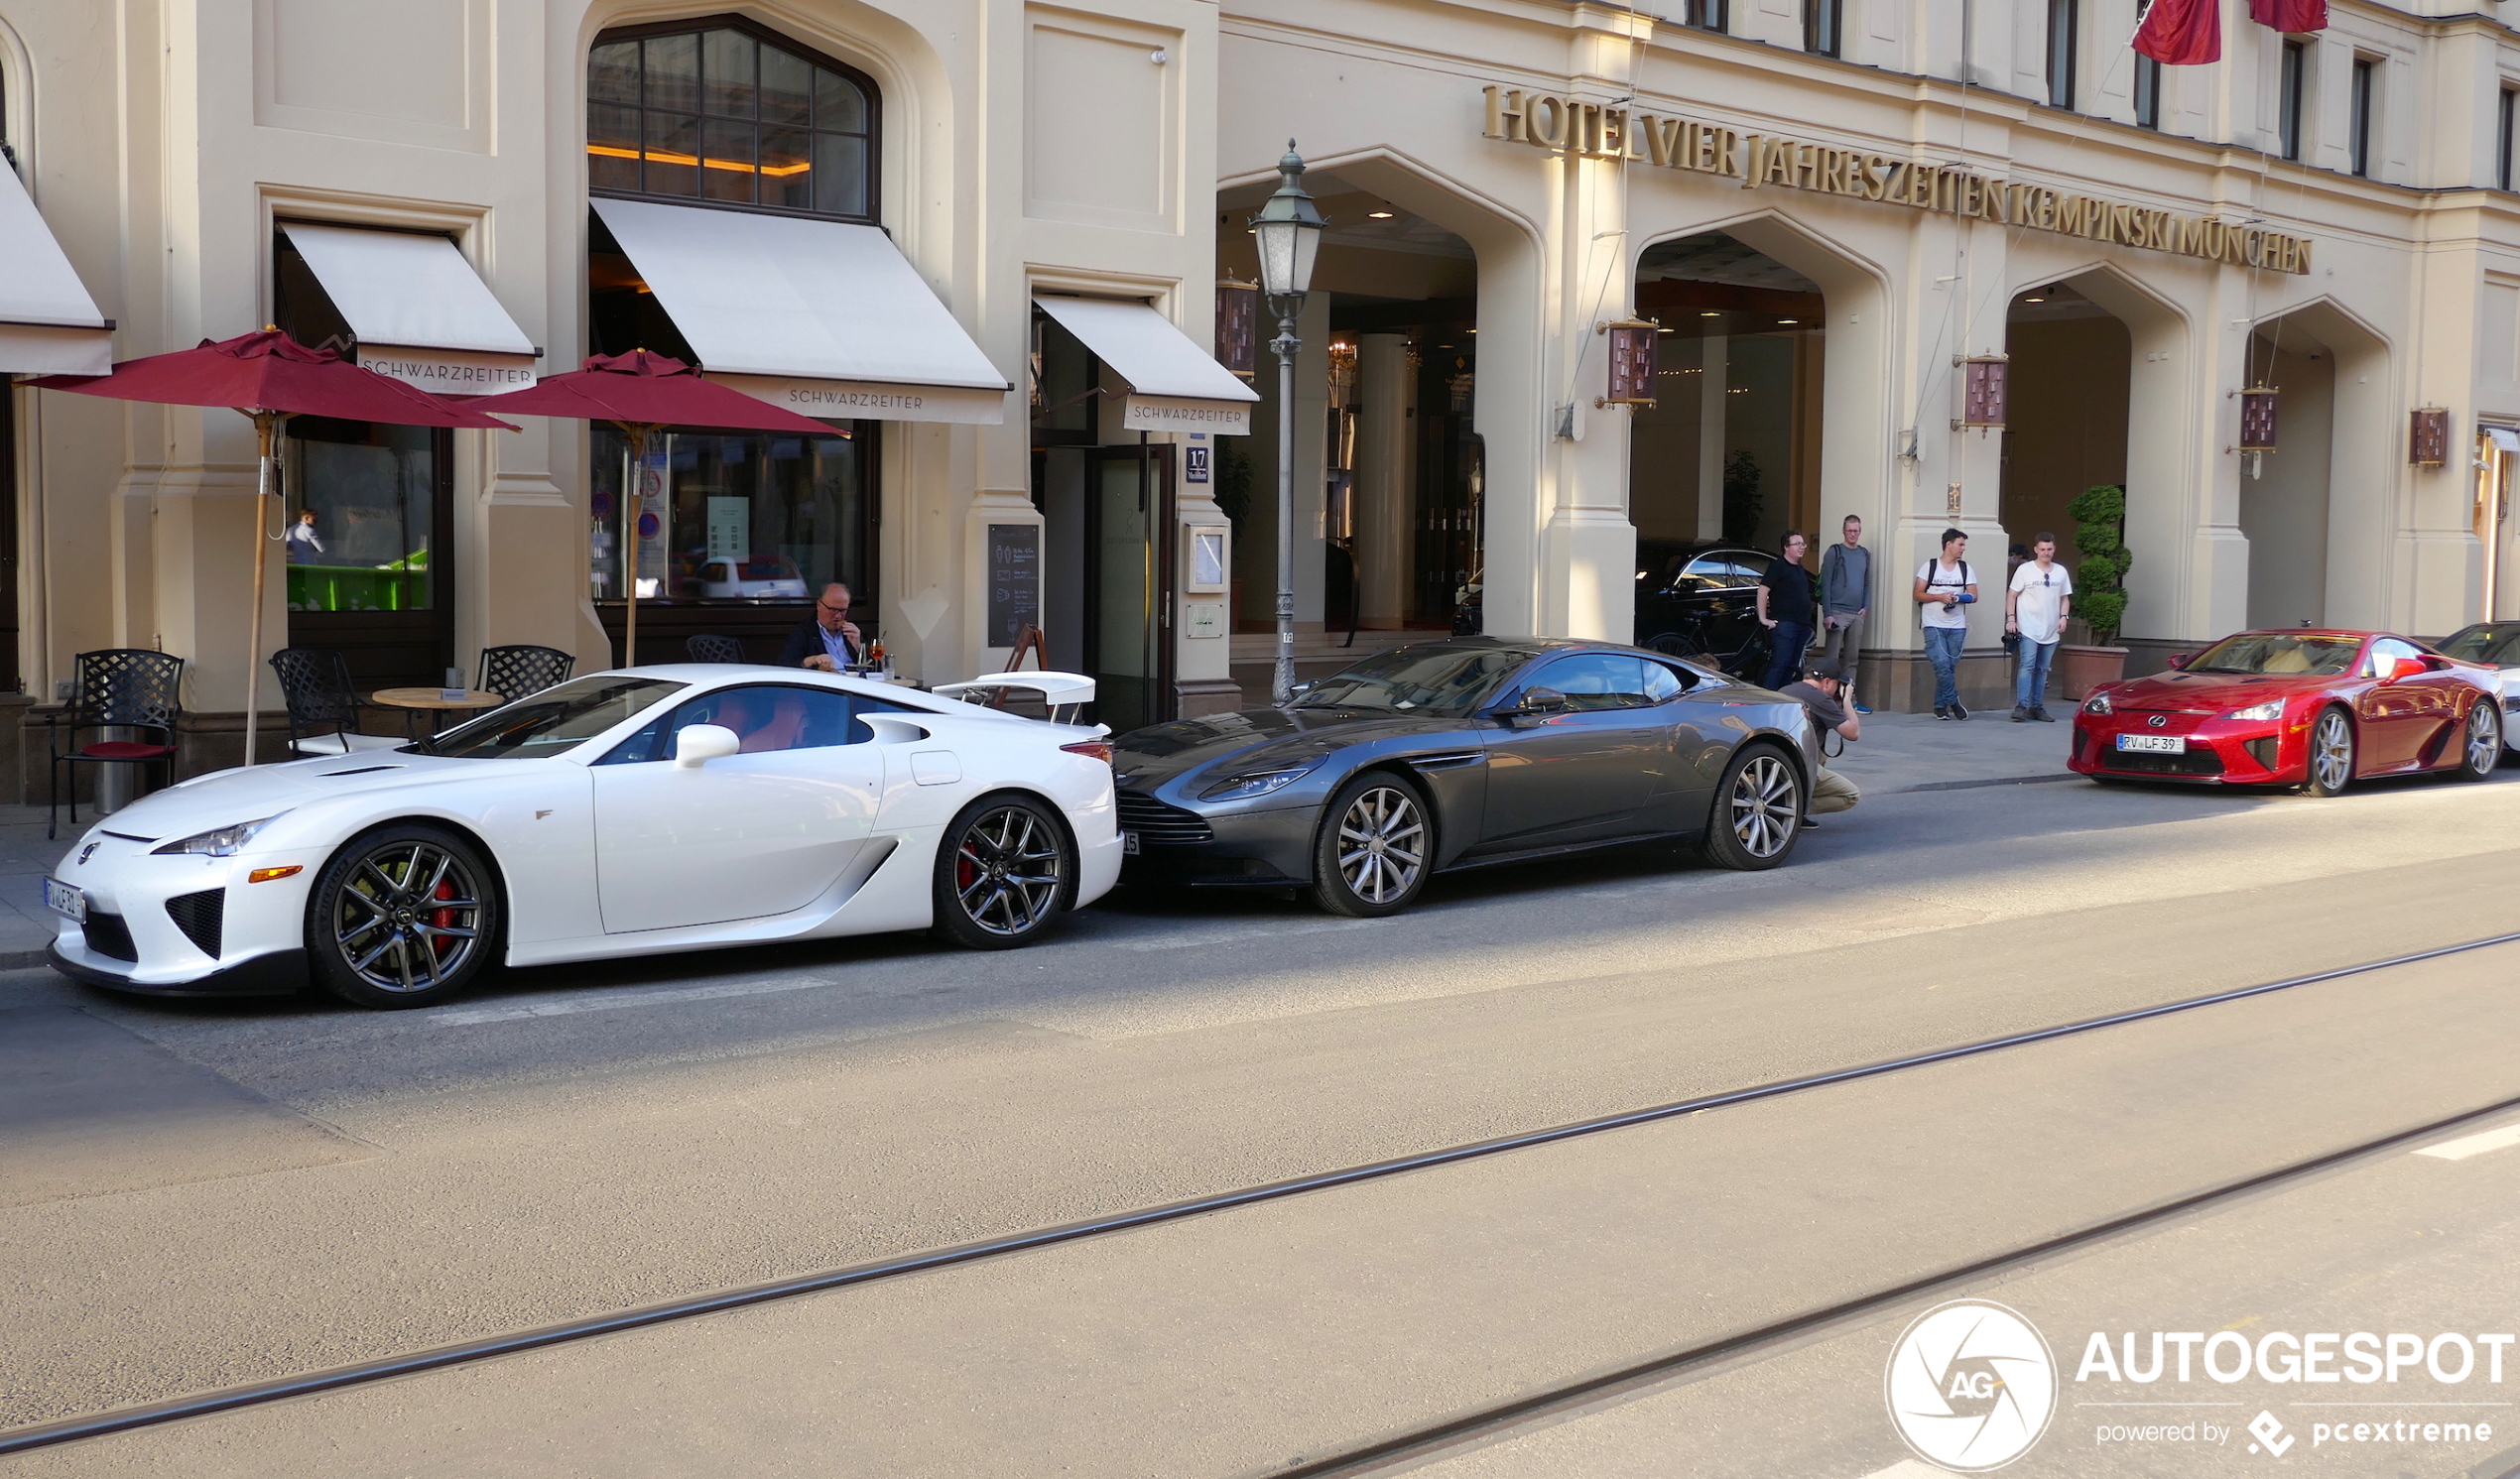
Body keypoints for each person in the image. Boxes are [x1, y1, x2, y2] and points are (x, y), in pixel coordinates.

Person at [1780, 659, 1861, 827]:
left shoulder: (1784, 690)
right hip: (1802, 766)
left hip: (1780, 761)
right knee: (1851, 795)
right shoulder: (1821, 699)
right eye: (1837, 685)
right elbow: (1853, 733)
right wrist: (1846, 701)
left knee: (1821, 753)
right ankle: (1793, 810)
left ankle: (1790, 805)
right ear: (1826, 682)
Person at [2006, 532, 2075, 722]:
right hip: (2028, 626)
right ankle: (2021, 705)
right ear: (2036, 549)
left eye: (2049, 549)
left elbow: (2064, 598)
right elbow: (2012, 595)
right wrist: (2011, 619)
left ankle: (2036, 706)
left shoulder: (2060, 571)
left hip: (2051, 628)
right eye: (2042, 549)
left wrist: (2063, 617)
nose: (2046, 552)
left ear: (2054, 549)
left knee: (2043, 668)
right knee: (2027, 665)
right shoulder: (2025, 570)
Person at [1914, 528, 1978, 720]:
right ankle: (1954, 701)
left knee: (1949, 666)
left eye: (1964, 545)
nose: (1963, 548)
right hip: (1933, 624)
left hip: (1957, 625)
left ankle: (1940, 706)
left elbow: (1974, 595)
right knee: (1941, 664)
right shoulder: (1930, 566)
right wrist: (1939, 597)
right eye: (1960, 544)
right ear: (1948, 544)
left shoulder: (1965, 568)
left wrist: (1957, 598)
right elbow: (1917, 593)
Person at [1817, 515, 1870, 713]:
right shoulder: (1834, 552)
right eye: (1850, 530)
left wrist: (1866, 606)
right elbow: (1827, 584)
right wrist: (1827, 613)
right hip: (1837, 612)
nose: (1853, 534)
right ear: (1843, 530)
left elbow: (1866, 582)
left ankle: (1849, 699)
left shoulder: (1864, 554)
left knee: (1852, 659)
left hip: (1857, 613)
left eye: (1856, 530)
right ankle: (1825, 699)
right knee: (1831, 659)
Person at [1756, 529, 1815, 691]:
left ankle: (1784, 699)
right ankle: (1768, 700)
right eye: (1797, 544)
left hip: (1801, 625)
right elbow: (1763, 590)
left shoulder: (1799, 569)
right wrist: (1763, 618)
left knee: (1791, 666)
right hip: (1785, 625)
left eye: (1803, 544)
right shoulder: (1778, 566)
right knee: (1780, 664)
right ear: (1786, 547)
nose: (1802, 547)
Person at [778, 581, 863, 671]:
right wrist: (812, 660)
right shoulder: (804, 631)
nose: (838, 616)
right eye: (833, 610)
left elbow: (875, 668)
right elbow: (785, 664)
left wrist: (859, 647)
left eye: (843, 610)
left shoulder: (851, 631)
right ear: (819, 605)